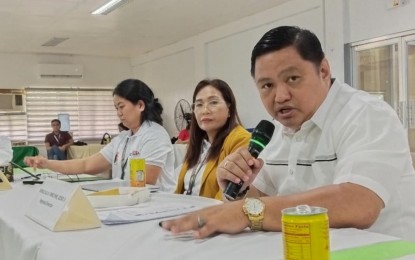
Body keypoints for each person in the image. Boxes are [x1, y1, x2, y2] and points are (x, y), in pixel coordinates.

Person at [161, 26, 415, 242]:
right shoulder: (278, 133)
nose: (280, 96)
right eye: (267, 86)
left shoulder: (366, 114)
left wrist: (246, 212)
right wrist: (240, 191)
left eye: (292, 78)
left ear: (323, 71)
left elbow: (358, 204)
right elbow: (263, 198)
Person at [25, 79, 176, 192]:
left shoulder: (155, 134)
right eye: (116, 108)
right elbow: (86, 165)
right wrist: (47, 164)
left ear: (140, 105)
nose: (118, 113)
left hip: (153, 205)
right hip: (129, 203)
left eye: (121, 106)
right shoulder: (123, 138)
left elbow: (144, 183)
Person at [175, 79, 250, 199]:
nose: (205, 110)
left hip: (212, 214)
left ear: (229, 109)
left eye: (213, 102)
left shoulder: (240, 139)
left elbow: (229, 195)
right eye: (199, 104)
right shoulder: (197, 144)